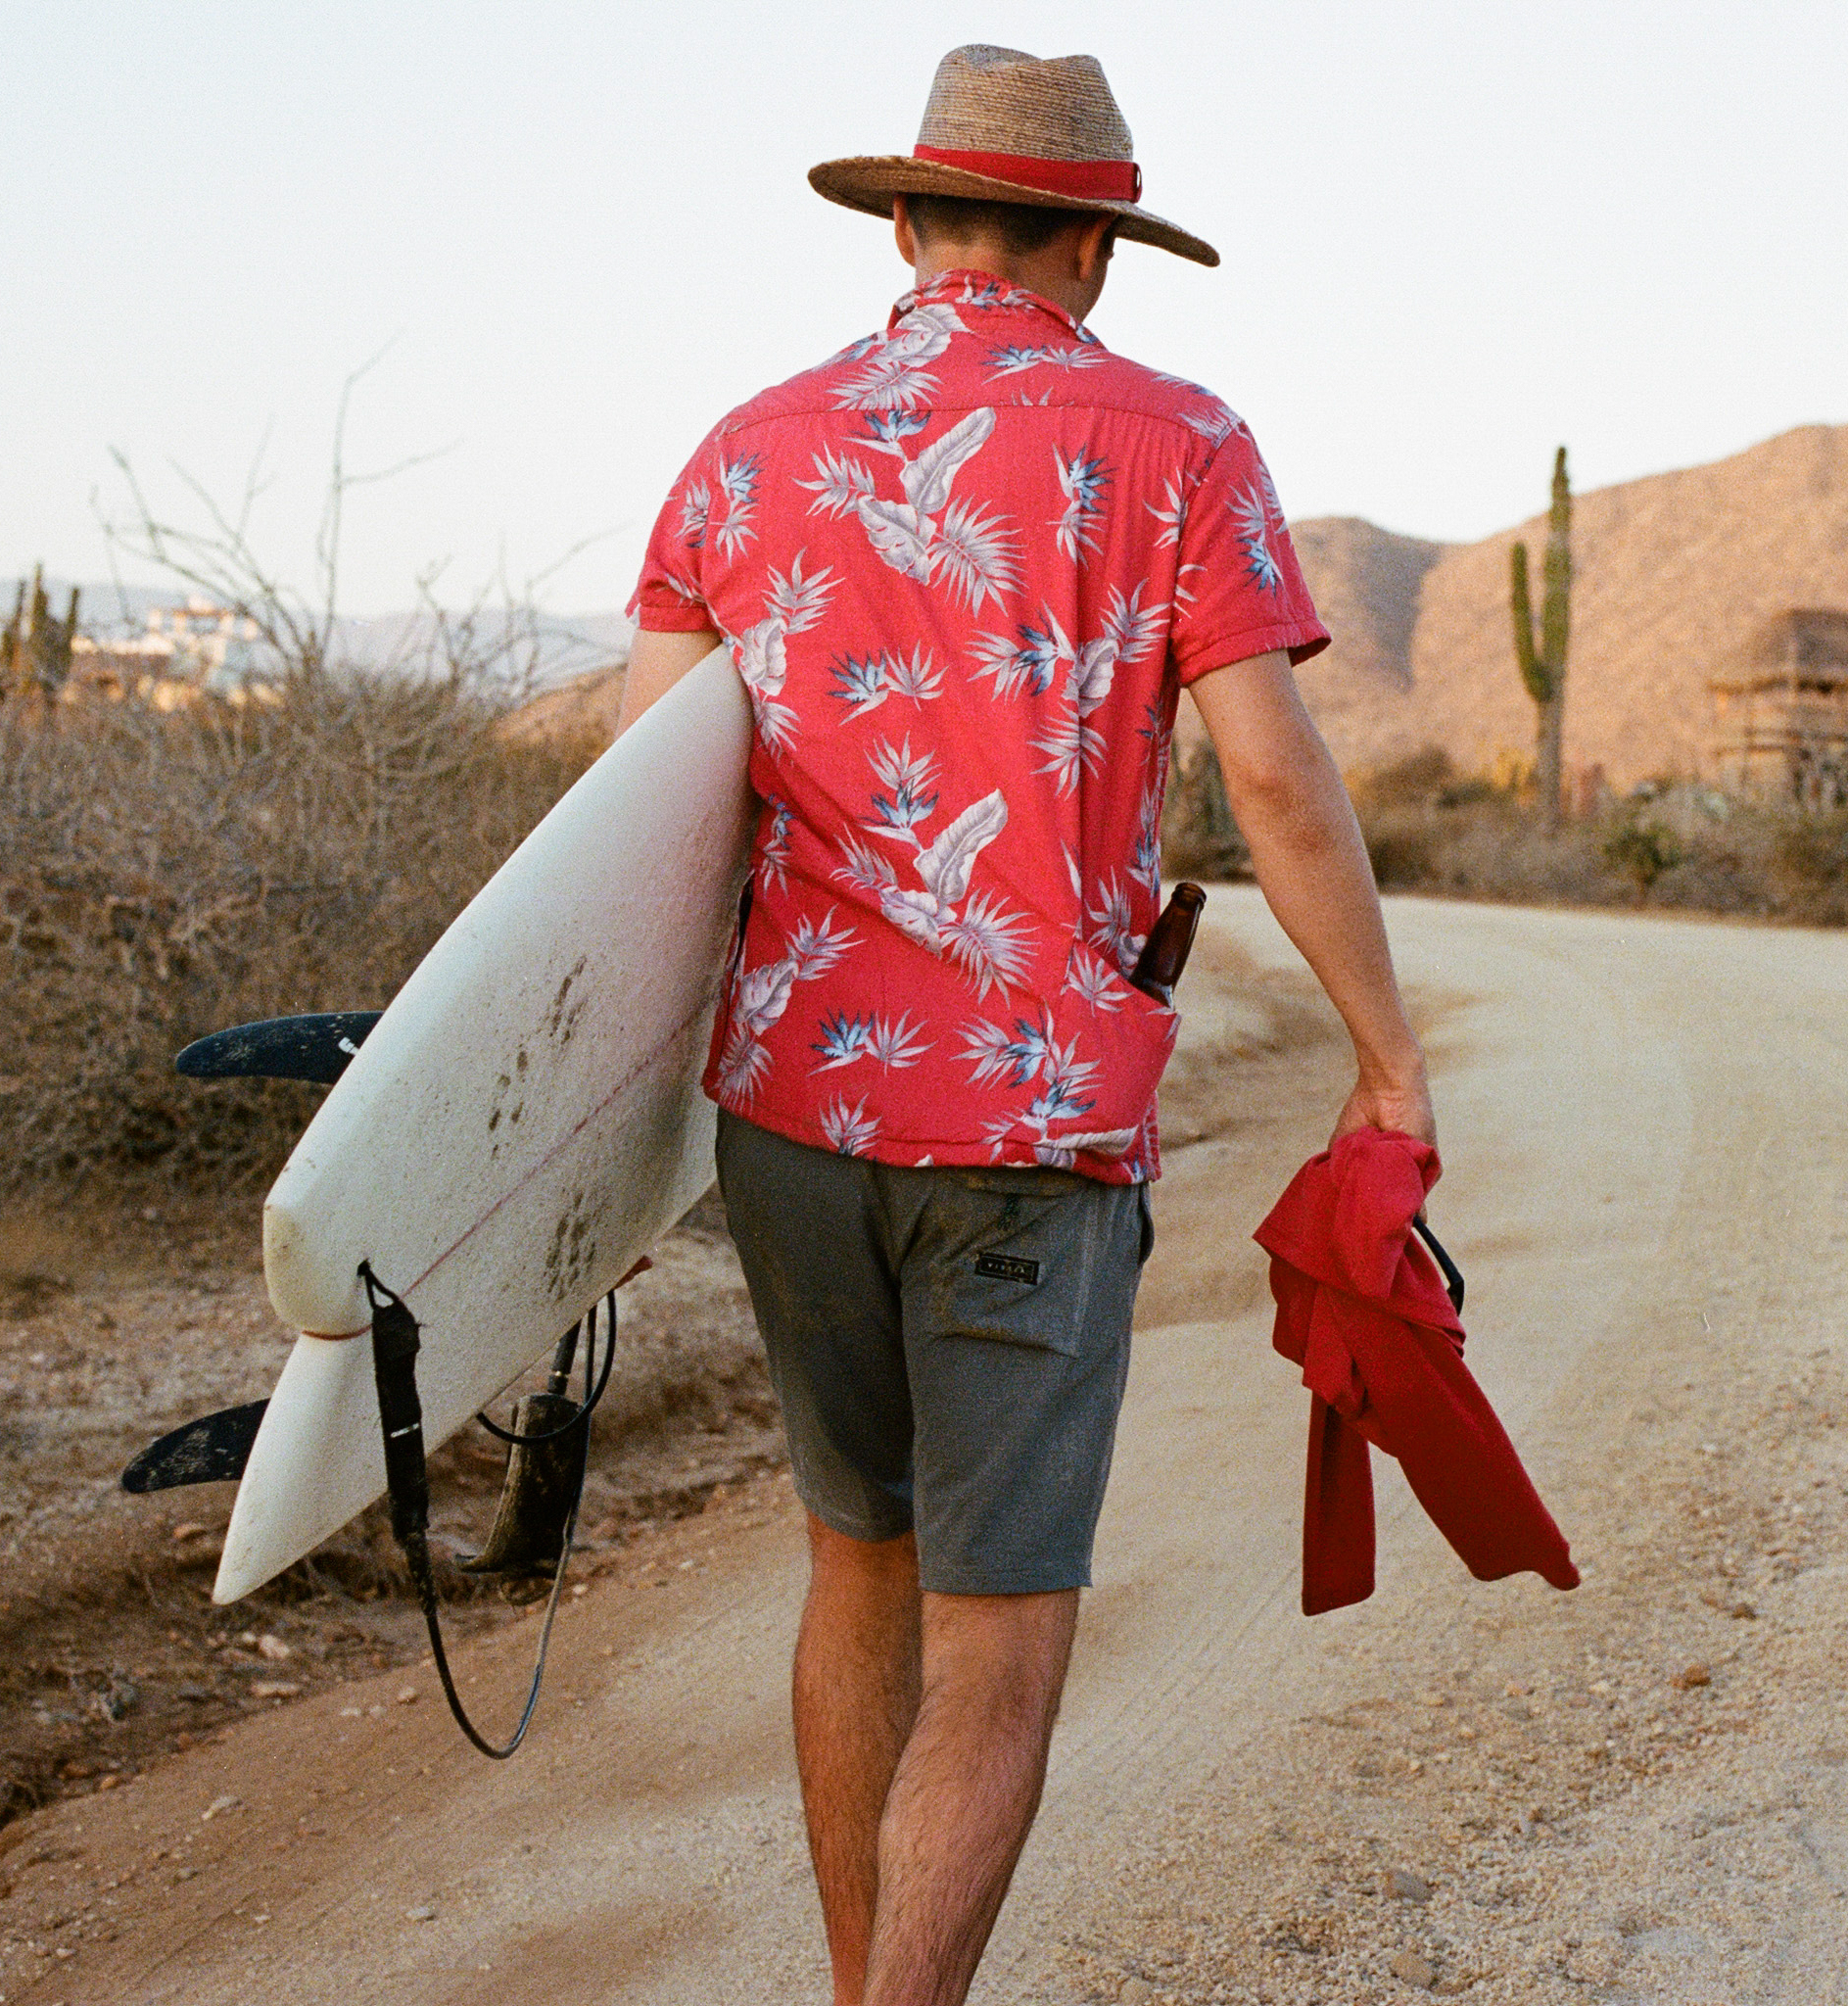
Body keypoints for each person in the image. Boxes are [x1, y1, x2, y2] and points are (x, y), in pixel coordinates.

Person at [616, 44, 1434, 2006]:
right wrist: (1386, 1060)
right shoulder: (1174, 443)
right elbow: (1280, 780)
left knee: (854, 1569)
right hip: (1026, 1131)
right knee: (998, 1634)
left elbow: (646, 804)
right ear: (1097, 248)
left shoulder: (741, 449)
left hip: (789, 1120)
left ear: (905, 227)